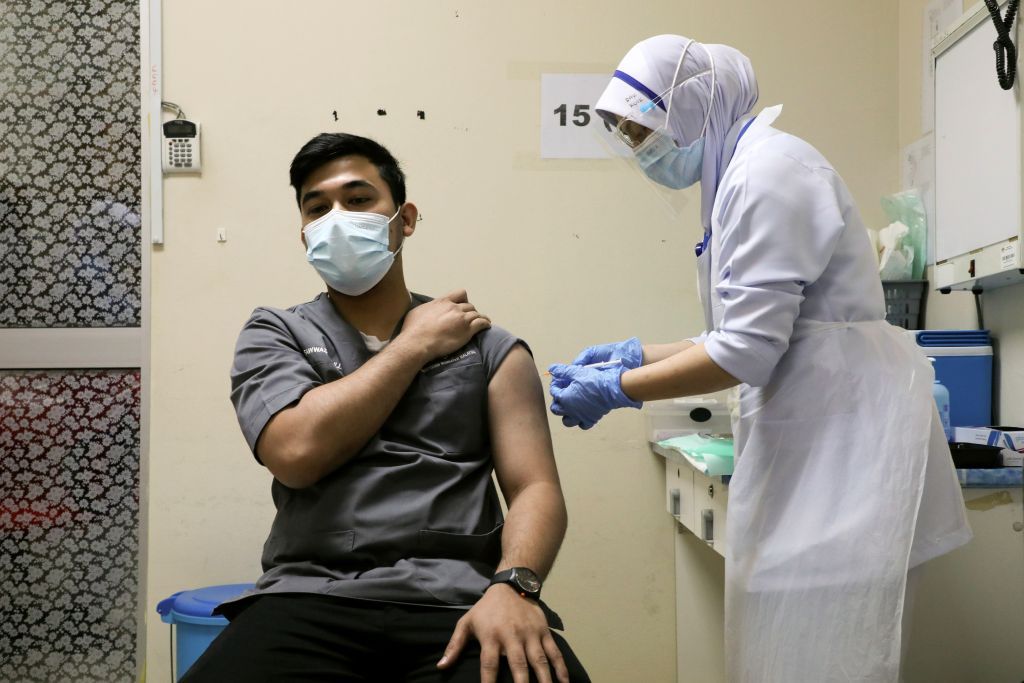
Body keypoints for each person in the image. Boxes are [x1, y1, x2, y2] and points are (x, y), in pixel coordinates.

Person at [547, 35, 971, 682]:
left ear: (695, 107)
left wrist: (622, 386)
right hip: (817, 444)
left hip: (846, 458)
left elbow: (746, 349)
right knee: (790, 651)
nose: (642, 148)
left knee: (831, 654)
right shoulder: (741, 174)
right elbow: (747, 333)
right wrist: (635, 353)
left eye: (644, 128)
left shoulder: (769, 174)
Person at [183, 133, 589, 683]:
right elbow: (297, 453)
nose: (337, 217)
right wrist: (414, 345)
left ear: (406, 218)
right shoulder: (276, 333)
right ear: (304, 234)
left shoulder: (491, 349)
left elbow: (535, 488)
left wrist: (515, 587)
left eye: (358, 199)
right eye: (317, 207)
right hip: (309, 595)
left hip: (459, 601)